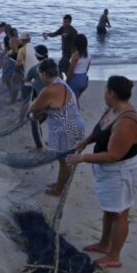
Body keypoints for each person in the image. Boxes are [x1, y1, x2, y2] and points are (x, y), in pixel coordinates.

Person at [66, 76, 137, 269]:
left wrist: (82, 158)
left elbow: (113, 155)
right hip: (109, 171)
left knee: (119, 213)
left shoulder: (126, 122)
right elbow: (100, 131)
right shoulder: (112, 109)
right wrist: (85, 142)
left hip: (121, 171)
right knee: (109, 209)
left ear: (112, 93)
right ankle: (104, 244)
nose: (104, 93)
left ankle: (114, 256)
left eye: (106, 90)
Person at [29, 58, 85, 197]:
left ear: (44, 74)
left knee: (65, 161)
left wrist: (35, 113)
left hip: (65, 128)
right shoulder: (61, 82)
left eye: (40, 75)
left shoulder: (49, 90)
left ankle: (58, 190)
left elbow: (32, 108)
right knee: (65, 160)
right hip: (73, 123)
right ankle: (60, 184)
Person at [24, 45, 49, 149]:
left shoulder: (35, 68)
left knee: (34, 120)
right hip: (57, 98)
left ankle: (39, 145)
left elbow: (26, 79)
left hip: (42, 100)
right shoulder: (54, 66)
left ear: (37, 56)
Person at [66, 34, 91, 99]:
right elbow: (87, 67)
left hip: (76, 79)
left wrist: (67, 80)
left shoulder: (76, 55)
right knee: (76, 99)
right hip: (84, 79)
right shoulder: (88, 54)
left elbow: (71, 69)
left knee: (73, 100)